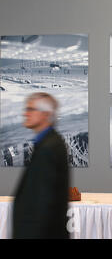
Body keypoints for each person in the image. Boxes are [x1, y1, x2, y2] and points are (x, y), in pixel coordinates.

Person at [13, 92, 69, 239]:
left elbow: (41, 204)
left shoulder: (48, 148)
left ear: (45, 114)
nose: (25, 114)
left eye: (31, 109)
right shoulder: (49, 143)